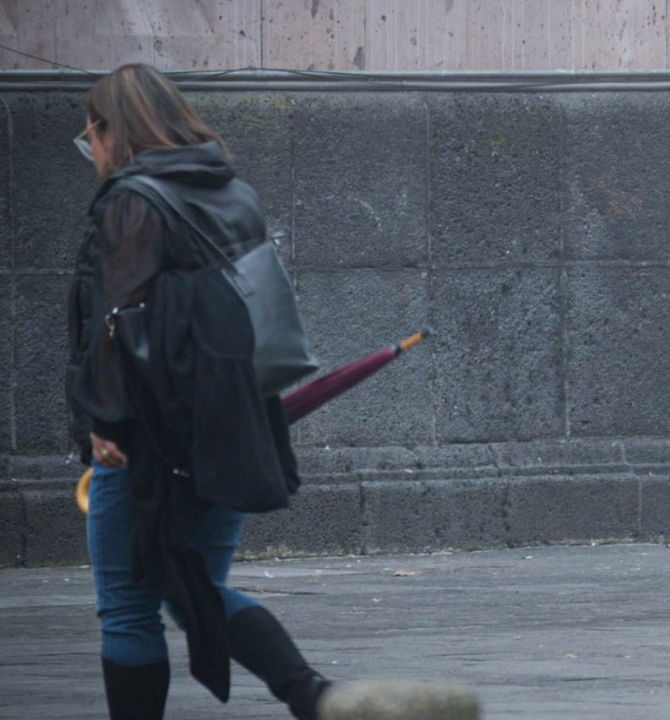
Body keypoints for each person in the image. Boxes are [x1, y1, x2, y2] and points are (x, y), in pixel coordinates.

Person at [66, 64, 477, 720]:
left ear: (113, 129)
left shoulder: (131, 201)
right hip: (235, 426)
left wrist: (105, 422)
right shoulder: (233, 192)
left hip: (149, 438)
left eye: (92, 133)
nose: (92, 150)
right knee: (192, 587)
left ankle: (316, 698)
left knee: (128, 604)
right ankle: (316, 698)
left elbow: (119, 320)